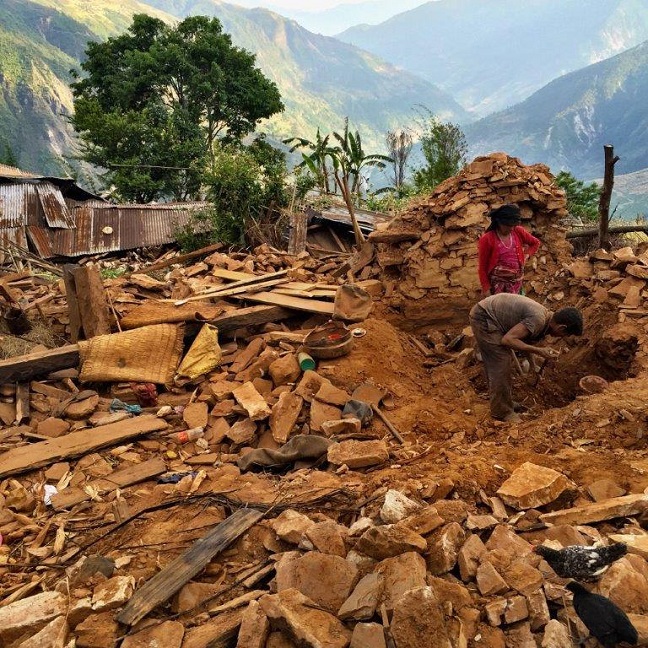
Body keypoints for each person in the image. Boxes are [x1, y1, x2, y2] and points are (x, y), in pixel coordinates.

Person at [469, 293, 583, 422]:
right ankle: (502, 412)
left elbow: (525, 341)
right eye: (564, 334)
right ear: (562, 327)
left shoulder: (545, 319)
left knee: (502, 362)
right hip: (484, 317)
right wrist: (539, 351)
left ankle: (504, 401)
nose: (561, 337)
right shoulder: (538, 319)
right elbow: (508, 340)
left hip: (491, 314)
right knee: (501, 364)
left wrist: (533, 365)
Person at [478, 204, 541, 297]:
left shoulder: (518, 231)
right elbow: (482, 268)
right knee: (500, 310)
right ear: (499, 223)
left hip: (516, 285)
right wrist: (486, 289)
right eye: (508, 225)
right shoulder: (487, 239)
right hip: (497, 287)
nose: (511, 228)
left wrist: (527, 255)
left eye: (513, 225)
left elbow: (535, 243)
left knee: (516, 309)